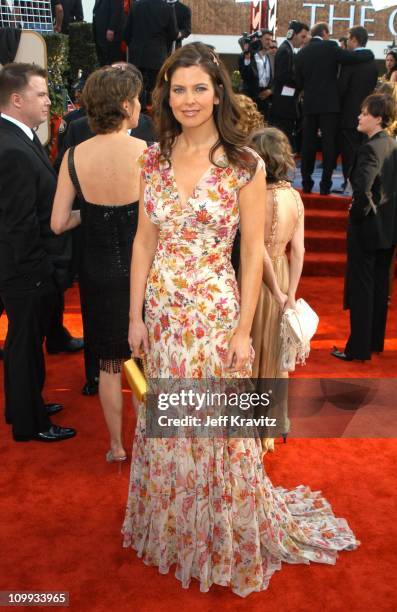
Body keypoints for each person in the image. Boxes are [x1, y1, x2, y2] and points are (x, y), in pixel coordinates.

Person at [122, 42, 359, 597]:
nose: (188, 99)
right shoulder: (150, 159)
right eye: (178, 89)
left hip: (212, 312)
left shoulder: (244, 165)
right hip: (162, 312)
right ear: (165, 96)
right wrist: (134, 315)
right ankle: (176, 527)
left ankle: (218, 529)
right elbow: (142, 240)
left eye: (200, 88)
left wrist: (242, 330)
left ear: (220, 93)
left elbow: (252, 252)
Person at [51, 66, 145, 461]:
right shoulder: (149, 154)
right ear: (125, 105)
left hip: (98, 273)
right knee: (146, 362)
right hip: (147, 274)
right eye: (138, 99)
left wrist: (88, 215)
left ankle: (116, 446)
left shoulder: (74, 156)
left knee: (109, 364)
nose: (141, 106)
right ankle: (147, 446)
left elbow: (58, 223)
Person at [0, 63, 76, 442]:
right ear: (17, 99)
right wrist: (39, 270)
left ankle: (23, 407)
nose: (49, 100)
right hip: (25, 270)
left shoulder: (19, 137)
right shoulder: (11, 148)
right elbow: (18, 224)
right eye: (41, 94)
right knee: (25, 346)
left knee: (22, 343)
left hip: (25, 267)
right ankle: (32, 425)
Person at [250, 127, 305, 453]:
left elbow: (256, 249)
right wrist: (290, 294)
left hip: (256, 276)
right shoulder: (294, 198)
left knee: (253, 350)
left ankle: (247, 426)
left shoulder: (255, 196)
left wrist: (276, 292)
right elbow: (298, 250)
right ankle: (271, 428)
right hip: (283, 274)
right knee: (275, 352)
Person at [332, 94, 397, 361]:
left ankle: (357, 349)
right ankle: (373, 343)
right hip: (388, 229)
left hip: (368, 229)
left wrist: (358, 215)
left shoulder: (370, 148)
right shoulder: (392, 144)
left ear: (378, 118)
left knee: (362, 288)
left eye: (364, 113)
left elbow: (362, 188)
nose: (359, 117)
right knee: (380, 287)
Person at [295, 21, 374, 195]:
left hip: (309, 105)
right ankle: (325, 185)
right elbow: (353, 57)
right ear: (324, 33)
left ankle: (306, 184)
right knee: (329, 145)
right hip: (330, 106)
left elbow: (297, 81)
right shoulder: (330, 48)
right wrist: (369, 53)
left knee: (307, 145)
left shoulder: (302, 52)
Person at [338, 26, 378, 190]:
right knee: (364, 150)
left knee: (349, 151)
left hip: (348, 115)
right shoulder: (373, 64)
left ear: (354, 39)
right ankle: (362, 182)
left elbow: (342, 89)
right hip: (368, 115)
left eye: (348, 38)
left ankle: (349, 182)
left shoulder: (350, 63)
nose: (347, 42)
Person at [123, 0, 178, 110]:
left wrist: (134, 45)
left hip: (137, 55)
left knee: (136, 87)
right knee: (156, 88)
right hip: (157, 55)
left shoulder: (136, 6)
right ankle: (155, 115)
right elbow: (173, 34)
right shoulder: (167, 8)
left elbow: (126, 32)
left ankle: (137, 113)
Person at [271, 20, 309, 148]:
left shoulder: (287, 50)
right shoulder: (285, 50)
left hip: (286, 103)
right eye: (302, 36)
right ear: (293, 34)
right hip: (283, 104)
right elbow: (283, 76)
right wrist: (301, 84)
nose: (303, 41)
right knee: (283, 137)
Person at [238, 28, 274, 121]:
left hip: (266, 99)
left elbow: (275, 78)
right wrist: (247, 58)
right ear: (259, 40)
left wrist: (270, 90)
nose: (269, 42)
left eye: (270, 40)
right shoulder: (248, 55)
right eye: (266, 39)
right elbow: (245, 76)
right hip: (251, 98)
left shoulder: (271, 57)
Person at [92, 0, 124, 66]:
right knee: (103, 60)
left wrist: (112, 28)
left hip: (109, 33)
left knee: (112, 61)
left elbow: (116, 10)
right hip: (100, 33)